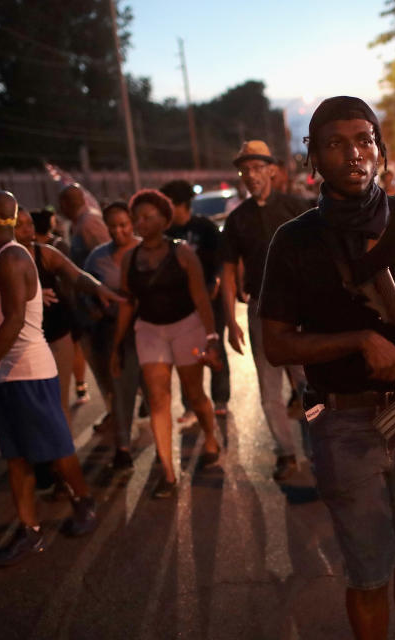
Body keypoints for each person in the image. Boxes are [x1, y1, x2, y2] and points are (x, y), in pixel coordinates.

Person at [259, 96, 395, 640]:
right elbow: (275, 344)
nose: (354, 153)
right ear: (314, 160)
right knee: (368, 572)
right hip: (342, 422)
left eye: (364, 139)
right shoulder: (294, 240)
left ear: (381, 150)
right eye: (335, 143)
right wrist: (358, 339)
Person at [0, 191, 98, 566]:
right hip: (4, 373)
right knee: (15, 458)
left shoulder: (12, 258)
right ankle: (29, 530)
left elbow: (13, 320)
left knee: (57, 449)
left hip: (28, 370)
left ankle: (84, 505)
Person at [113, 189, 223, 499]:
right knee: (158, 400)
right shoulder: (129, 259)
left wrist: (212, 338)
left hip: (186, 328)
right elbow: (126, 302)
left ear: (165, 219)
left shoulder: (183, 253)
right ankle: (168, 472)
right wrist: (117, 345)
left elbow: (201, 297)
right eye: (137, 218)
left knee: (194, 393)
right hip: (149, 330)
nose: (141, 223)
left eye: (148, 217)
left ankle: (211, 439)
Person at [221, 140, 308, 482]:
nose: (251, 175)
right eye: (245, 169)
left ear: (272, 169)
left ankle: (320, 448)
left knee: (308, 382)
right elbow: (227, 271)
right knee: (269, 388)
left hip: (301, 309)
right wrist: (230, 321)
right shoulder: (237, 220)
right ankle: (286, 454)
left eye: (258, 167)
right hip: (261, 310)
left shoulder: (296, 207)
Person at [12, 208, 119, 425]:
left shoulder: (46, 253)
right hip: (21, 339)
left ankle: (65, 454)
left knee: (58, 398)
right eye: (19, 224)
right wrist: (30, 296)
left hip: (56, 332)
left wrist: (99, 288)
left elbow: (76, 275)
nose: (27, 228)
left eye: (29, 222)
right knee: (30, 403)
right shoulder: (1, 260)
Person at [159, 179, 230, 420]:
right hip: (182, 304)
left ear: (181, 205)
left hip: (210, 299)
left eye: (169, 204)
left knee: (215, 346)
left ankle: (220, 399)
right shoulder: (166, 235)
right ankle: (190, 404)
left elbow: (221, 261)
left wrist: (217, 283)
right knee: (185, 354)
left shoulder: (204, 228)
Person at [84, 202, 141, 469]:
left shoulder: (145, 250)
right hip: (112, 332)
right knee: (120, 389)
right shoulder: (97, 257)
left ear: (133, 223)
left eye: (123, 225)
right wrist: (96, 308)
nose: (118, 231)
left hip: (147, 329)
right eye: (113, 227)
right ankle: (123, 447)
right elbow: (86, 289)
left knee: (154, 389)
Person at [58, 183, 109, 404]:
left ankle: (118, 413)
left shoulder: (89, 223)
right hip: (87, 305)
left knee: (105, 363)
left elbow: (106, 261)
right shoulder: (80, 223)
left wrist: (98, 301)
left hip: (98, 306)